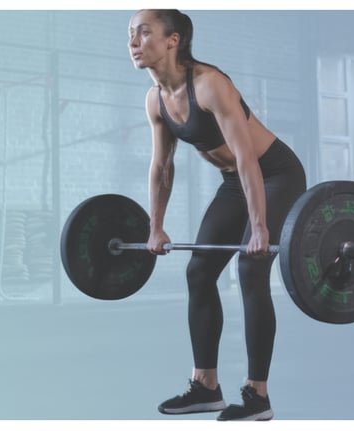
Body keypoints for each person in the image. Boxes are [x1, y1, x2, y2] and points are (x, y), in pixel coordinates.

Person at [128, 9, 307, 421]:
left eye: (143, 32)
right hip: (234, 182)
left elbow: (247, 159)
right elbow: (162, 167)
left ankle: (257, 396)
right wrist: (155, 226)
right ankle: (205, 386)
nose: (133, 42)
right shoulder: (155, 99)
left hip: (274, 173)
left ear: (173, 40)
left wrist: (259, 227)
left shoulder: (210, 85)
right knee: (199, 271)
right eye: (130, 34)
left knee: (251, 266)